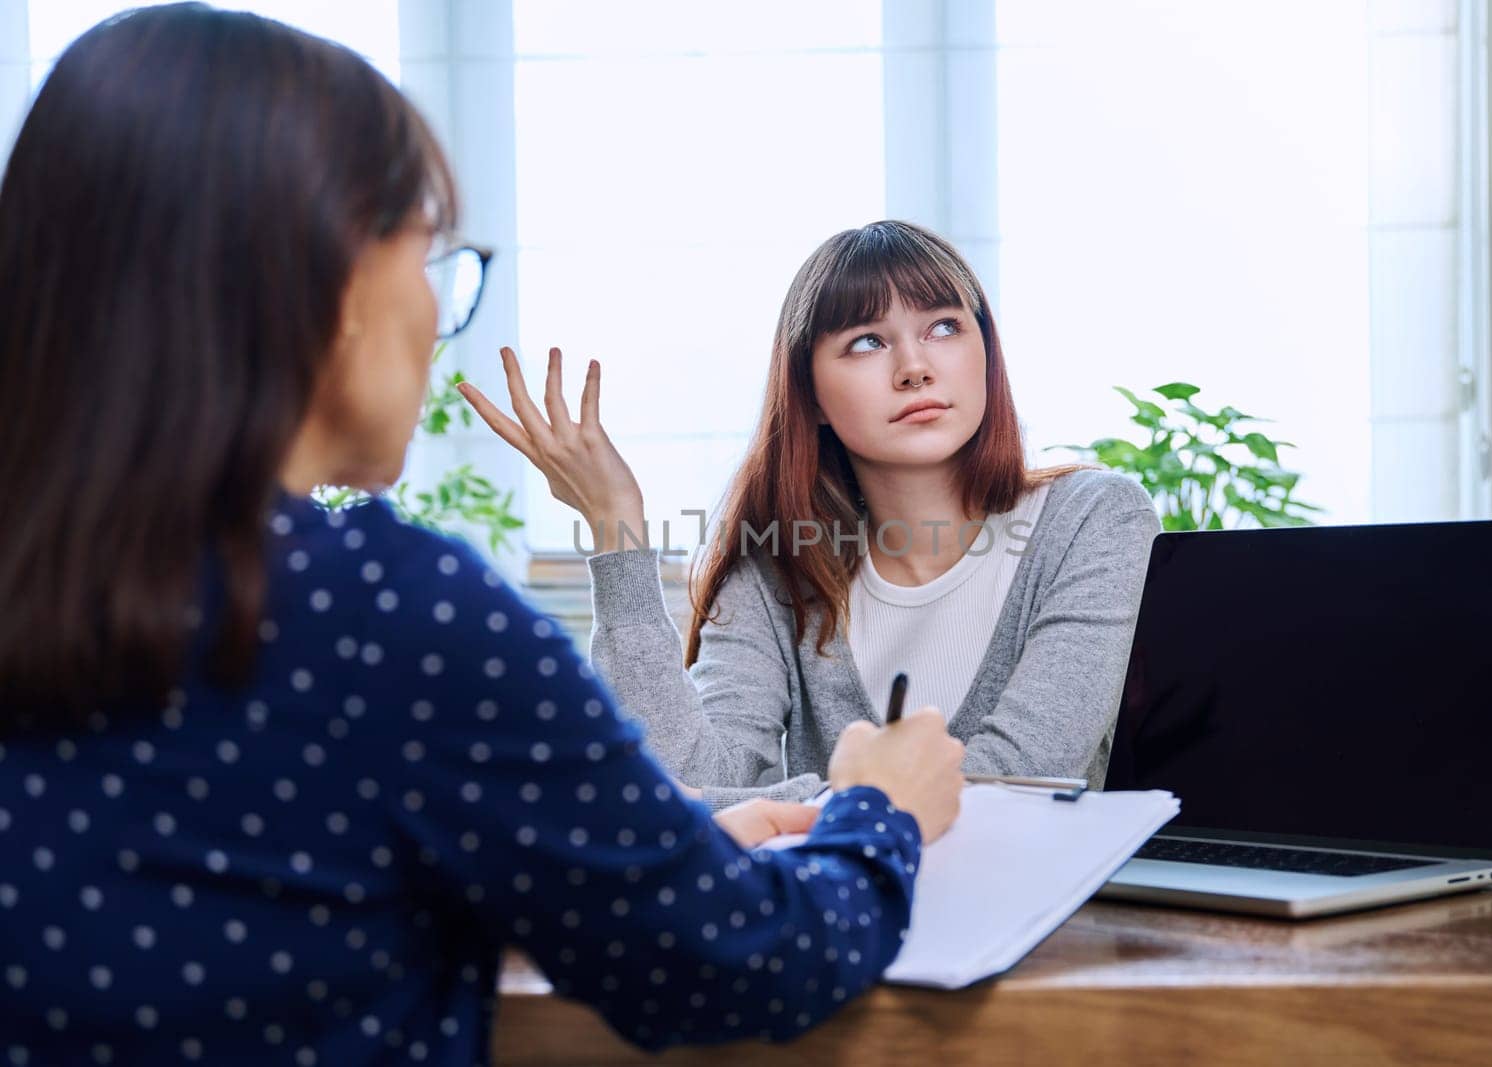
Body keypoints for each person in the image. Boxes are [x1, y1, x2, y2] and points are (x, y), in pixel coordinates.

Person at [0, 6, 966, 1063]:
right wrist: (879, 812)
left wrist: (636, 861)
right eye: (431, 255)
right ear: (327, 281)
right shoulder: (391, 615)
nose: (436, 311)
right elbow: (737, 959)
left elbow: (264, 904)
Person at [461, 221, 1162, 809]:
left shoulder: (1092, 521)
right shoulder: (776, 568)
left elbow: (1015, 788)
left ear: (986, 352)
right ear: (813, 395)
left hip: (1044, 954)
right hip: (832, 951)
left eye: (944, 326)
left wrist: (791, 806)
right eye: (867, 340)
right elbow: (680, 788)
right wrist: (616, 524)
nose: (915, 367)